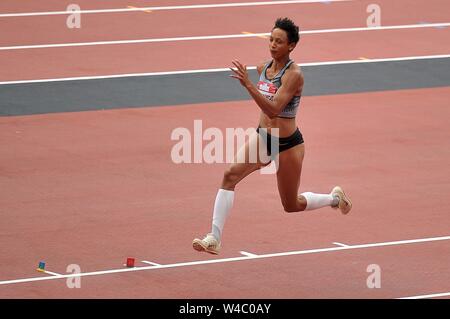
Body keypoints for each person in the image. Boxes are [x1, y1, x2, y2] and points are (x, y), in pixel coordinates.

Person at [192, 17, 352, 255]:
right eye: (271, 39)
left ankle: (333, 199)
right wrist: (252, 82)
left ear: (292, 46)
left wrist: (248, 85)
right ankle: (214, 237)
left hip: (288, 145)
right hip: (263, 137)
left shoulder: (294, 75)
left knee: (291, 205)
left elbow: (274, 109)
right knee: (229, 175)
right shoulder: (263, 68)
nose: (273, 45)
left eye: (279, 41)